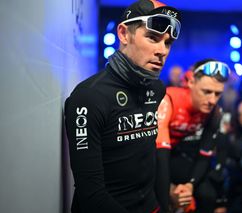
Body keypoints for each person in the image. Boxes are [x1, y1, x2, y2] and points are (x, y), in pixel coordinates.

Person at [64, 0, 181, 212]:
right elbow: (91, 194)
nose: (162, 50)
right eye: (152, 38)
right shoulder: (88, 97)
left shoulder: (156, 89)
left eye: (167, 43)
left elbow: (148, 159)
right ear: (124, 34)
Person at [155, 59, 230, 213]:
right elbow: (158, 155)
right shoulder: (168, 100)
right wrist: (169, 190)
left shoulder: (215, 112)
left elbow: (205, 155)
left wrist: (190, 185)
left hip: (178, 155)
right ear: (190, 82)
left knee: (207, 194)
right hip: (152, 155)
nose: (212, 100)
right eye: (207, 91)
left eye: (218, 94)